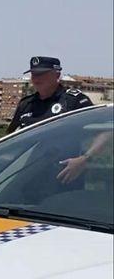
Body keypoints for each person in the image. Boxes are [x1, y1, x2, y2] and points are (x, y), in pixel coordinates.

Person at [7, 56, 106, 185]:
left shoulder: (73, 101)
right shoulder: (26, 104)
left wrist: (85, 159)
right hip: (29, 175)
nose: (36, 78)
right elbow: (10, 138)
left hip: (64, 176)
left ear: (57, 75)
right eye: (33, 74)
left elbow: (105, 132)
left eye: (41, 74)